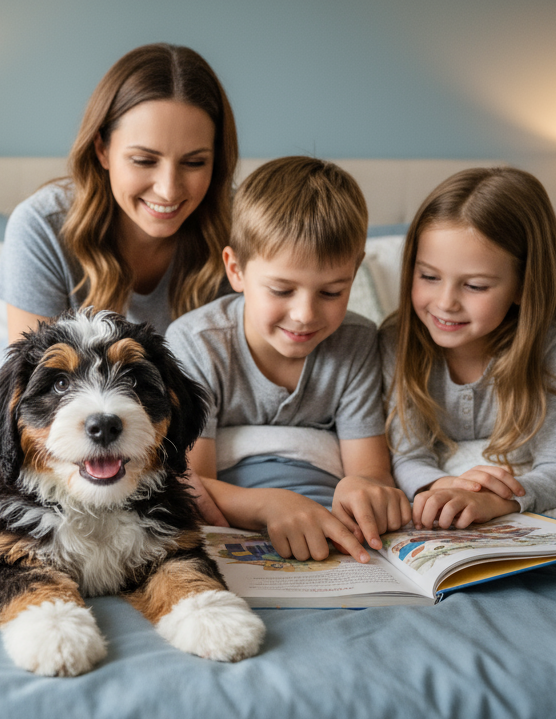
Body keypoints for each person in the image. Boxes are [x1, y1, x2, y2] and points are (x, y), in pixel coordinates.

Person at [166, 156, 410, 565]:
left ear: (354, 273)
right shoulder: (197, 343)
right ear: (236, 270)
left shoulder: (357, 342)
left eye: (332, 292)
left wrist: (361, 489)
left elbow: (370, 472)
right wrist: (268, 505)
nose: (305, 315)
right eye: (281, 290)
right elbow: (191, 484)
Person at [381, 167, 556, 531]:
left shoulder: (552, 343)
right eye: (428, 276)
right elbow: (407, 456)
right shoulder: (398, 340)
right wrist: (443, 486)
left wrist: (496, 499)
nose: (445, 302)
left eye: (474, 285)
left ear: (524, 285)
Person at [0, 43, 237, 340]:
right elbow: (33, 377)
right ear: (102, 149)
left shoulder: (243, 227)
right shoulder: (42, 226)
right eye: (144, 160)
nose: (169, 189)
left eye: (194, 162)